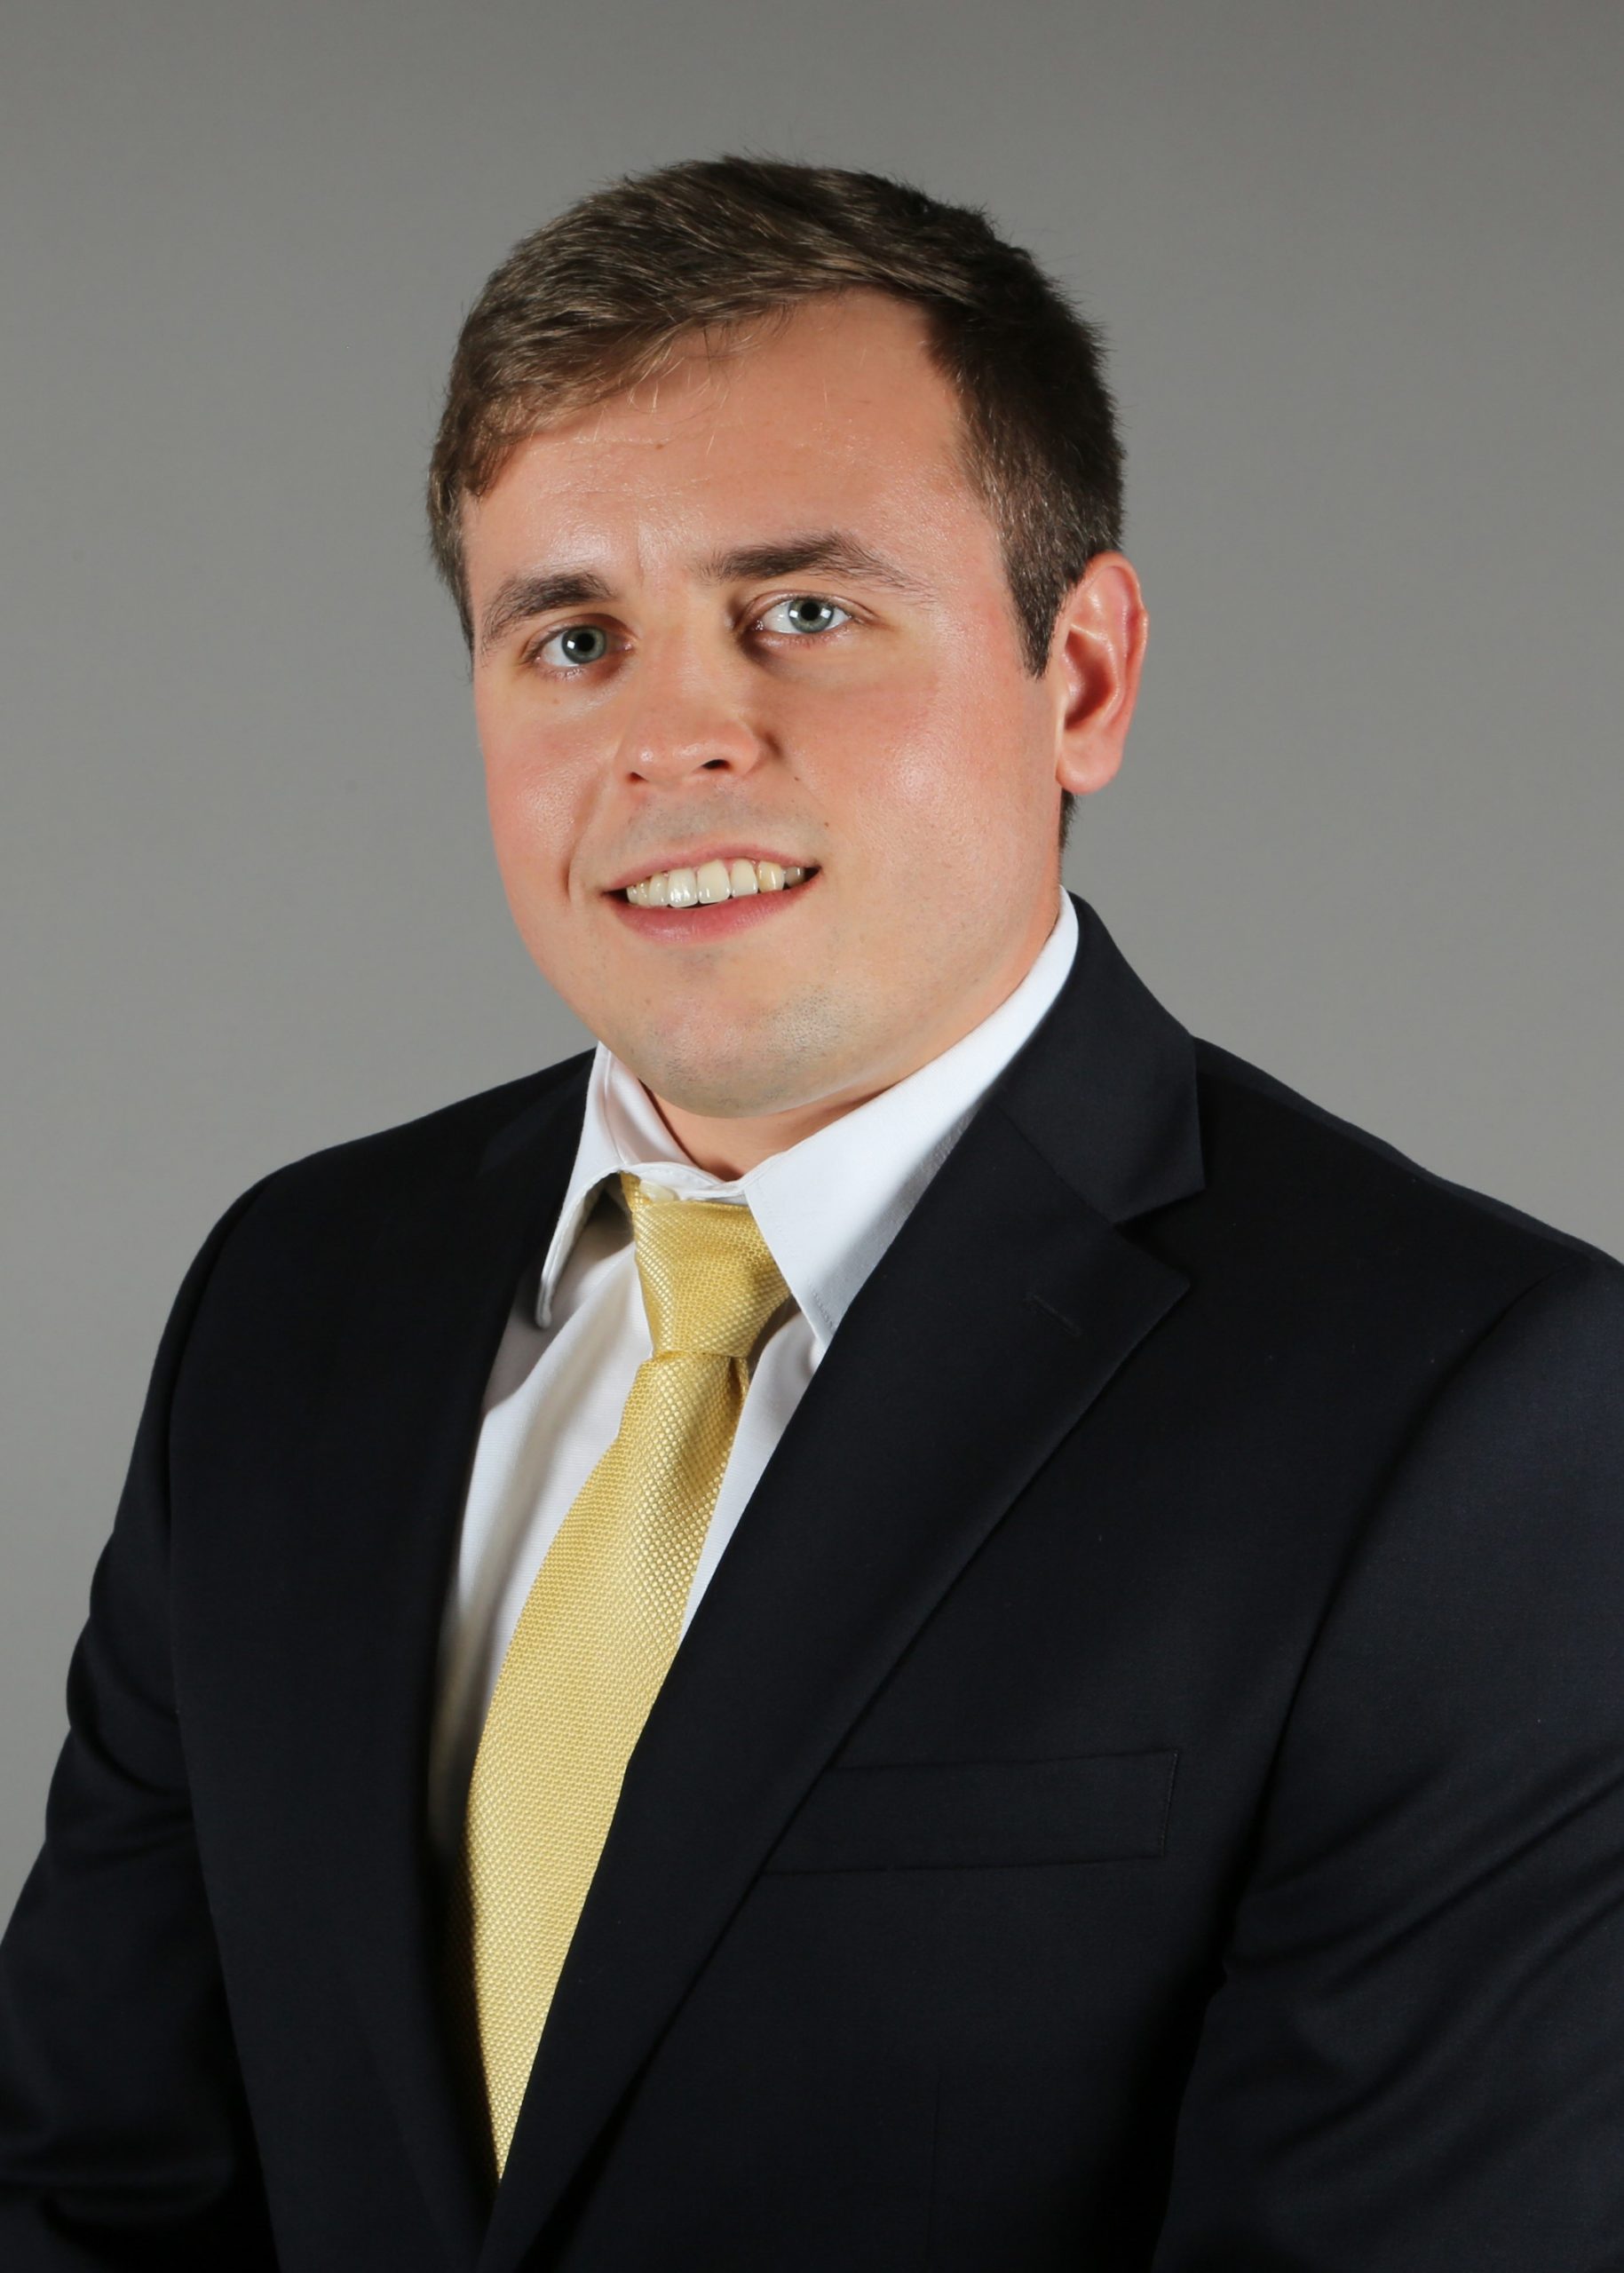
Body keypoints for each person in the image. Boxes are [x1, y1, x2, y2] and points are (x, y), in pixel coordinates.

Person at [1, 155, 1620, 2273]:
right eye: (572, 637)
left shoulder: (1481, 1415)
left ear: (1082, 675)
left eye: (805, 614)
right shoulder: (293, 1299)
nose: (673, 736)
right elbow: (89, 2183)